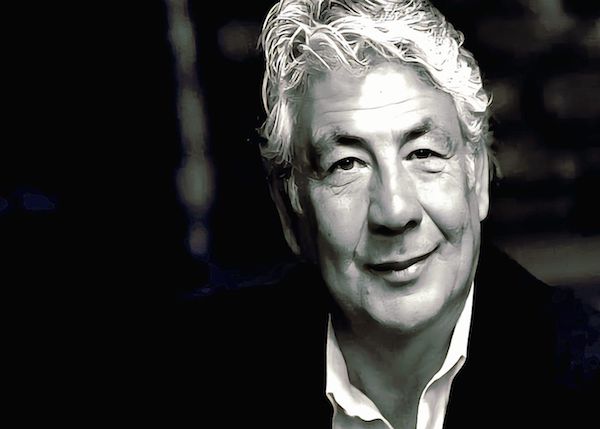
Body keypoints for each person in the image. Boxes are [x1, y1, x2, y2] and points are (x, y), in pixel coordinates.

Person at [175, 1, 599, 427]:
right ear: (290, 208)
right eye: (346, 164)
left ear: (478, 178)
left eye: (423, 154)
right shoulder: (196, 375)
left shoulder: (584, 383)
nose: (395, 212)